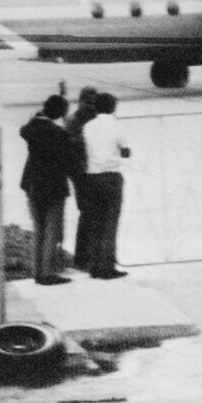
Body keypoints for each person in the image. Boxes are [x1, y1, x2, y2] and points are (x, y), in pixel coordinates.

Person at [19, 94, 84, 285]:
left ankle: (38, 270)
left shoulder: (32, 129)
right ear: (60, 113)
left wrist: (39, 116)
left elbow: (24, 129)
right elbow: (71, 162)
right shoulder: (59, 134)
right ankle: (47, 273)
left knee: (39, 229)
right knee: (51, 230)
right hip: (53, 185)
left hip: (32, 183)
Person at [81, 92, 131, 280]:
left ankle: (94, 265)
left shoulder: (88, 127)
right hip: (111, 175)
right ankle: (107, 265)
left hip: (92, 176)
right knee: (110, 222)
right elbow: (125, 151)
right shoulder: (117, 126)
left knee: (95, 221)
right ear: (112, 107)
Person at [65, 86, 99, 271]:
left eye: (94, 103)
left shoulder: (94, 119)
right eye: (89, 102)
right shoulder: (75, 121)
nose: (92, 106)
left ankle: (90, 254)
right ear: (82, 102)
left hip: (93, 170)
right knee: (87, 212)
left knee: (92, 213)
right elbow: (69, 146)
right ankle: (82, 257)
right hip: (81, 172)